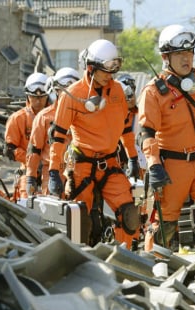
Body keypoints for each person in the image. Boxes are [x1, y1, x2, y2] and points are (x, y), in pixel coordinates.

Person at [138, 24, 195, 255]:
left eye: (189, 53)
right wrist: (154, 165)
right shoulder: (153, 92)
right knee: (165, 225)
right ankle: (155, 267)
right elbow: (146, 133)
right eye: (179, 54)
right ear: (165, 57)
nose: (186, 59)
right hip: (172, 165)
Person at [47, 39, 139, 248]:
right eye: (106, 70)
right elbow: (58, 136)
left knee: (130, 215)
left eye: (114, 69)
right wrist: (54, 171)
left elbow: (125, 127)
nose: (110, 75)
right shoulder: (72, 95)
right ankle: (81, 261)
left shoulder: (117, 92)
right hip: (82, 165)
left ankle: (123, 259)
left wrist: (132, 156)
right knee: (79, 221)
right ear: (90, 69)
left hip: (110, 163)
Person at [25, 67, 81, 196]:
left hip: (80, 171)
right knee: (55, 212)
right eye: (64, 91)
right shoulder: (44, 117)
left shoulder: (85, 115)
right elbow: (34, 149)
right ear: (56, 91)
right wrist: (30, 177)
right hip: (52, 172)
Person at [4, 72, 50, 199]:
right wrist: (32, 161)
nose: (38, 100)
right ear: (27, 96)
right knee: (26, 202)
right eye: (34, 96)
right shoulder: (17, 118)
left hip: (52, 171)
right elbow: (9, 149)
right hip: (28, 172)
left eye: (42, 97)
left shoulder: (57, 116)